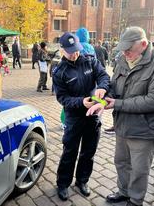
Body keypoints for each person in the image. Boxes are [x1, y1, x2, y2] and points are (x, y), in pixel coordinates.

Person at [87, 26, 154, 206]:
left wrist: (117, 104)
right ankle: (124, 192)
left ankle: (135, 200)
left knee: (139, 169)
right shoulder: (123, 59)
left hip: (144, 128)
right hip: (123, 124)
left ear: (143, 44)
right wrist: (103, 96)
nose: (125, 53)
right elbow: (113, 85)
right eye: (123, 50)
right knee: (121, 162)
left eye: (128, 50)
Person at [52, 32, 110, 201]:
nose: (74, 53)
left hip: (93, 117)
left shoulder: (90, 60)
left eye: (76, 49)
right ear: (62, 50)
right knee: (69, 152)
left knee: (88, 152)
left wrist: (103, 88)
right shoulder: (59, 72)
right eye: (70, 51)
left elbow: (103, 76)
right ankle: (63, 184)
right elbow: (62, 98)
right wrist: (80, 102)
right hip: (74, 118)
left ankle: (82, 181)